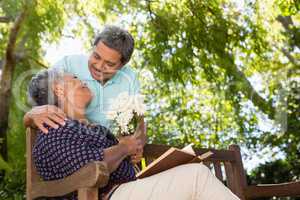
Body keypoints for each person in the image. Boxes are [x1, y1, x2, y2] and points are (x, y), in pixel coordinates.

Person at [28, 69, 240, 200]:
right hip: (106, 196)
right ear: (59, 90)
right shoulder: (54, 130)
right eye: (73, 77)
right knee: (196, 176)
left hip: (127, 190)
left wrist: (129, 155)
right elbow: (91, 168)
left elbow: (108, 159)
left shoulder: (92, 129)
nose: (81, 79)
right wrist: (124, 148)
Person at [24, 25, 146, 163]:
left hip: (110, 150)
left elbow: (139, 121)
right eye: (96, 56)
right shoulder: (68, 65)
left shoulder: (129, 79)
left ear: (122, 65)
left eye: (109, 64)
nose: (99, 66)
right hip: (75, 152)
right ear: (92, 48)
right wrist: (30, 114)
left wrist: (137, 143)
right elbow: (41, 92)